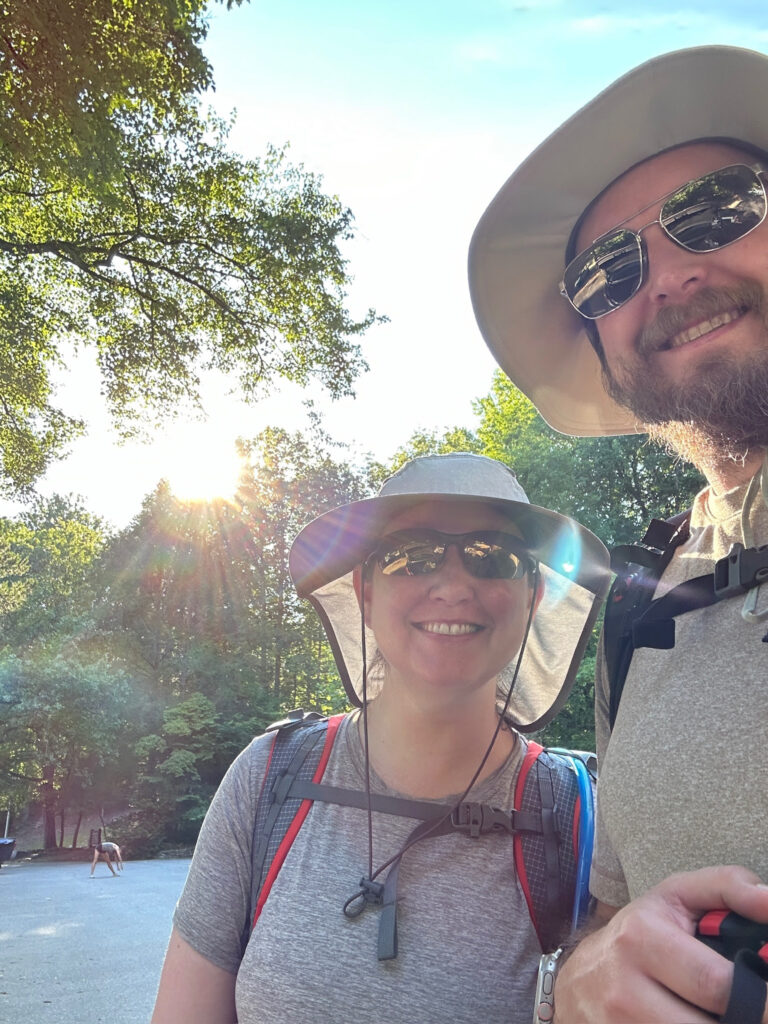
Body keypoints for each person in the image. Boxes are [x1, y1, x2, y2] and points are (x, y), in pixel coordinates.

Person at [469, 44, 768, 1024]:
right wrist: (580, 984)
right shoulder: (642, 603)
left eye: (718, 210)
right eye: (609, 272)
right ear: (597, 345)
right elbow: (607, 917)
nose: (671, 276)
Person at [151, 452, 610, 1024]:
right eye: (410, 556)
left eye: (492, 557)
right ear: (365, 592)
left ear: (532, 596)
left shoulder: (581, 813)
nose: (452, 585)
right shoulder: (269, 778)